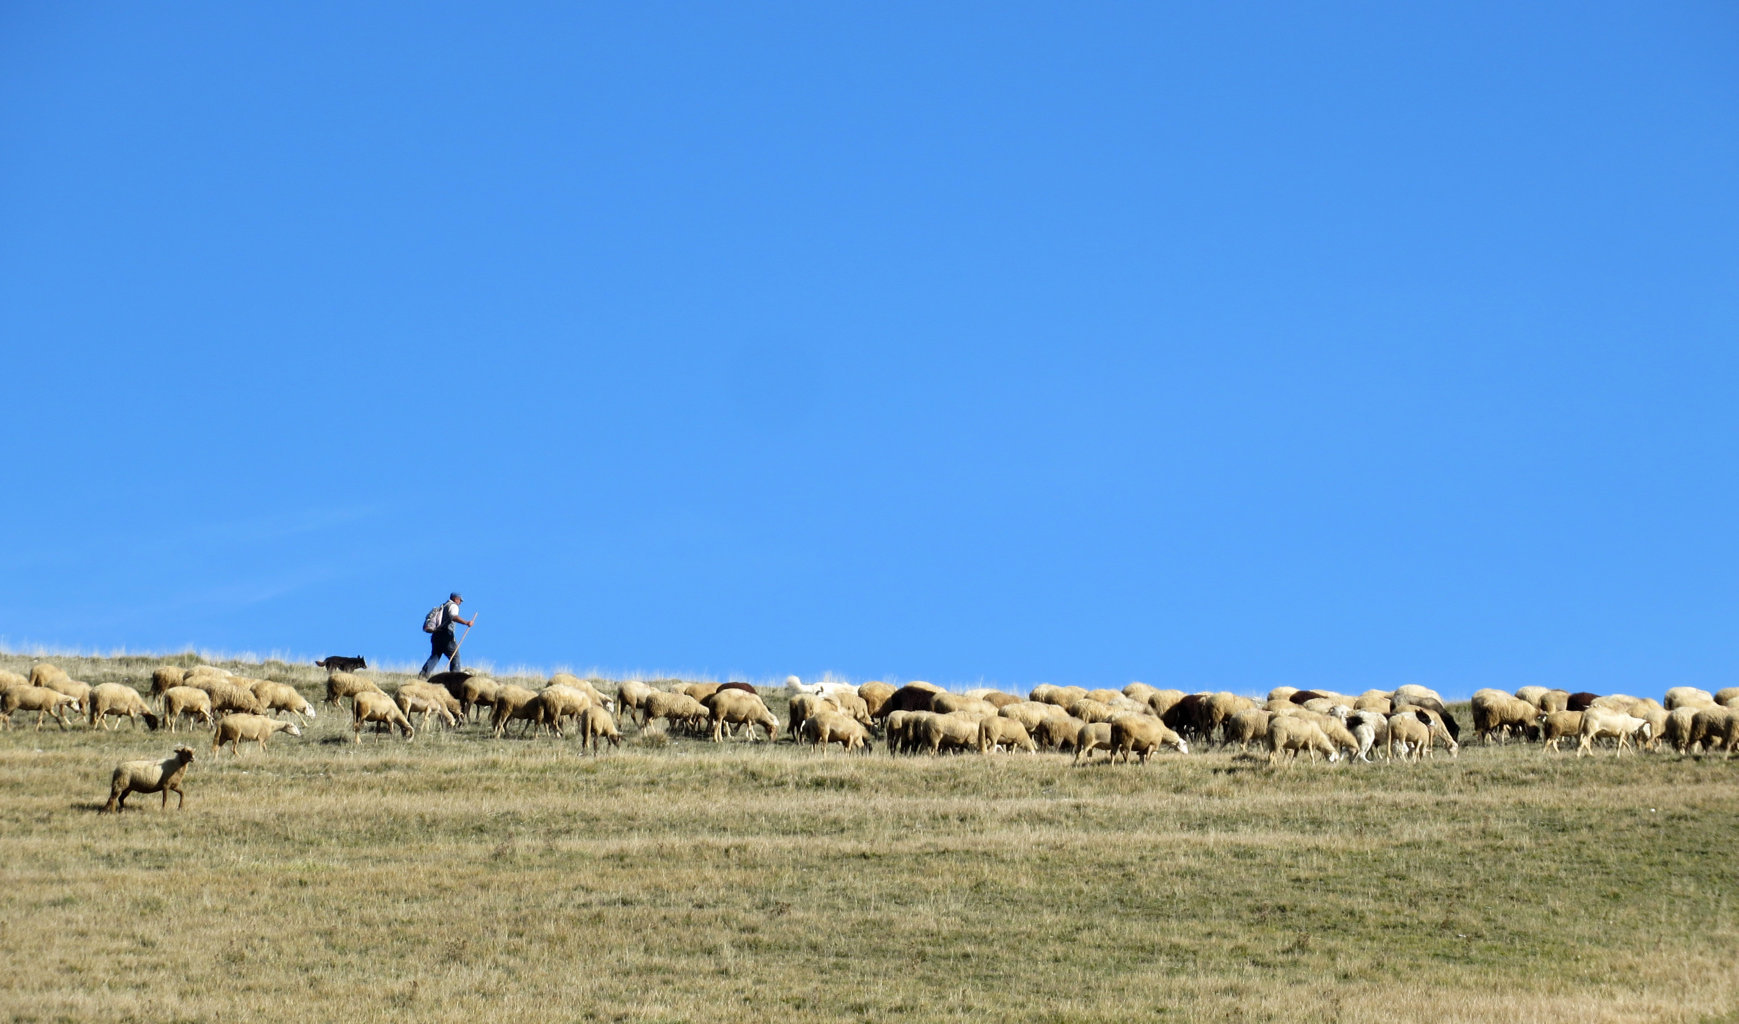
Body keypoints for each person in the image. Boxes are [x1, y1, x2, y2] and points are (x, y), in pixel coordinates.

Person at [419, 592, 475, 678]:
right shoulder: (453, 606)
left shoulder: (443, 606)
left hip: (436, 635)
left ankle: (423, 675)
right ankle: (454, 679)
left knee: (435, 656)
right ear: (456, 599)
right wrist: (466, 622)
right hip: (446, 635)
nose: (460, 603)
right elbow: (454, 616)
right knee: (455, 656)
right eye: (460, 600)